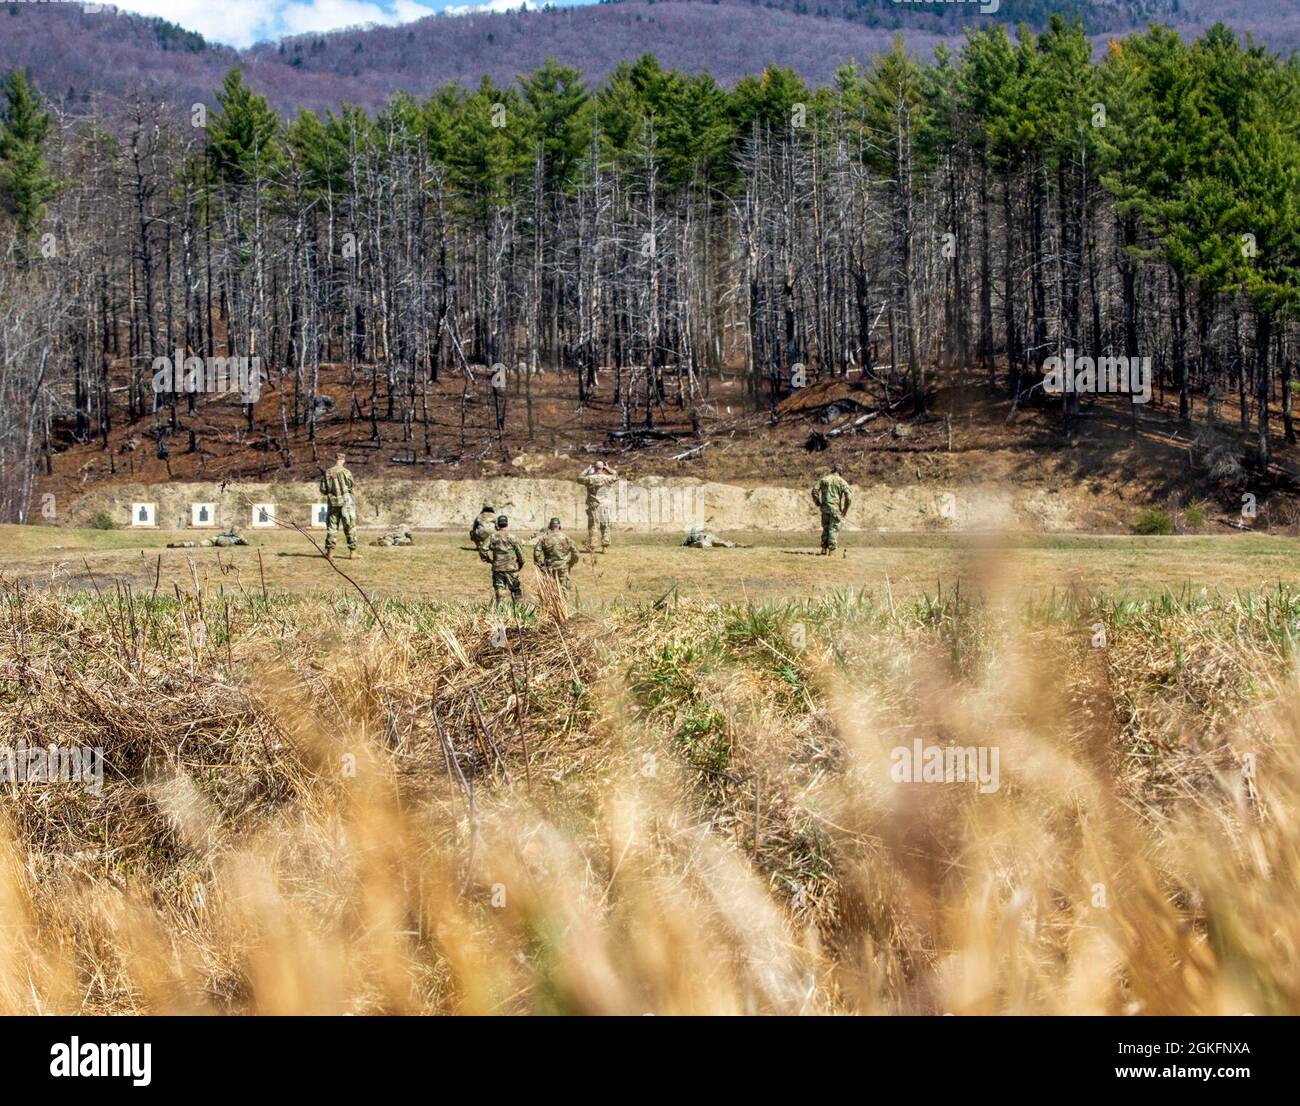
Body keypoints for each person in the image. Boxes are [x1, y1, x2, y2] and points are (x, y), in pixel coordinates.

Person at [321, 452, 361, 561]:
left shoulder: (328, 472)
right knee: (350, 527)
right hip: (346, 504)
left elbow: (323, 490)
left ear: (335, 459)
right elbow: (351, 486)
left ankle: (329, 553)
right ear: (343, 460)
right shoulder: (346, 472)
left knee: (332, 528)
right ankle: (353, 553)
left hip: (333, 504)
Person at [482, 515, 524, 609]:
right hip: (511, 568)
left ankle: (500, 612)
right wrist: (520, 563)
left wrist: (488, 559)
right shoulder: (512, 537)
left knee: (499, 590)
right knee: (515, 590)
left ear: (498, 524)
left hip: (497, 567)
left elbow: (483, 549)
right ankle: (518, 610)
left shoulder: (493, 536)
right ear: (507, 524)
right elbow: (519, 552)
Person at [811, 464, 852, 554]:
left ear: (832, 470)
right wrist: (845, 509)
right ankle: (832, 551)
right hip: (836, 510)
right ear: (840, 472)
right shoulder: (842, 482)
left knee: (826, 528)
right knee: (833, 529)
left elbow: (814, 491)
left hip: (825, 509)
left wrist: (818, 502)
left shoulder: (824, 479)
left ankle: (823, 549)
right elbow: (849, 497)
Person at [579, 460, 618, 551]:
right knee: (605, 525)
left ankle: (592, 546)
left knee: (593, 525)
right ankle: (605, 547)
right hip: (604, 504)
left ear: (594, 467)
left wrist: (587, 470)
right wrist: (608, 468)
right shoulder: (607, 478)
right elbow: (616, 475)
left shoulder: (589, 478)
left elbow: (579, 478)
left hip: (593, 504)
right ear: (602, 468)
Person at [533, 517, 579, 591]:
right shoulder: (566, 538)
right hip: (563, 567)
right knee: (564, 589)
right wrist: (571, 563)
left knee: (549, 589)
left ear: (550, 526)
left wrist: (540, 565)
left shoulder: (544, 538)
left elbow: (536, 553)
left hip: (549, 567)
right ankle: (563, 602)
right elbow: (576, 553)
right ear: (559, 526)